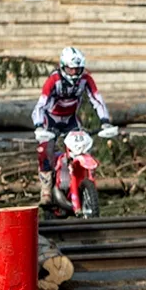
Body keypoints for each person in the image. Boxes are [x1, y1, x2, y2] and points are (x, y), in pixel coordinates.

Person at [31, 47, 112, 205]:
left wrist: (105, 121)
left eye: (77, 69)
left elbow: (97, 99)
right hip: (50, 120)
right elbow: (40, 105)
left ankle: (83, 182)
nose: (74, 73)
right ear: (62, 66)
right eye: (71, 69)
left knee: (82, 148)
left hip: (71, 120)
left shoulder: (86, 79)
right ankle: (46, 190)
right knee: (44, 150)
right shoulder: (53, 80)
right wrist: (39, 126)